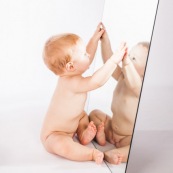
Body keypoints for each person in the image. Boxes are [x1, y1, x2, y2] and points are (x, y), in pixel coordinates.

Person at [40, 23, 127, 164]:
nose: (88, 54)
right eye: (84, 53)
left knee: (83, 117)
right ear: (71, 66)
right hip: (55, 133)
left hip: (74, 120)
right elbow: (95, 82)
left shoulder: (73, 72)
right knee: (63, 146)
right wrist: (113, 61)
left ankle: (83, 134)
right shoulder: (70, 83)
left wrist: (94, 38)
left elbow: (87, 60)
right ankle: (91, 153)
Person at [89, 24, 149, 165]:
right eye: (130, 54)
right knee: (95, 113)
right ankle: (101, 135)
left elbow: (133, 83)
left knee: (138, 147)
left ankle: (115, 153)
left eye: (134, 58)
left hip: (127, 137)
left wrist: (127, 62)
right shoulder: (122, 76)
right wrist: (105, 41)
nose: (128, 58)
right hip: (111, 129)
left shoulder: (140, 86)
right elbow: (109, 60)